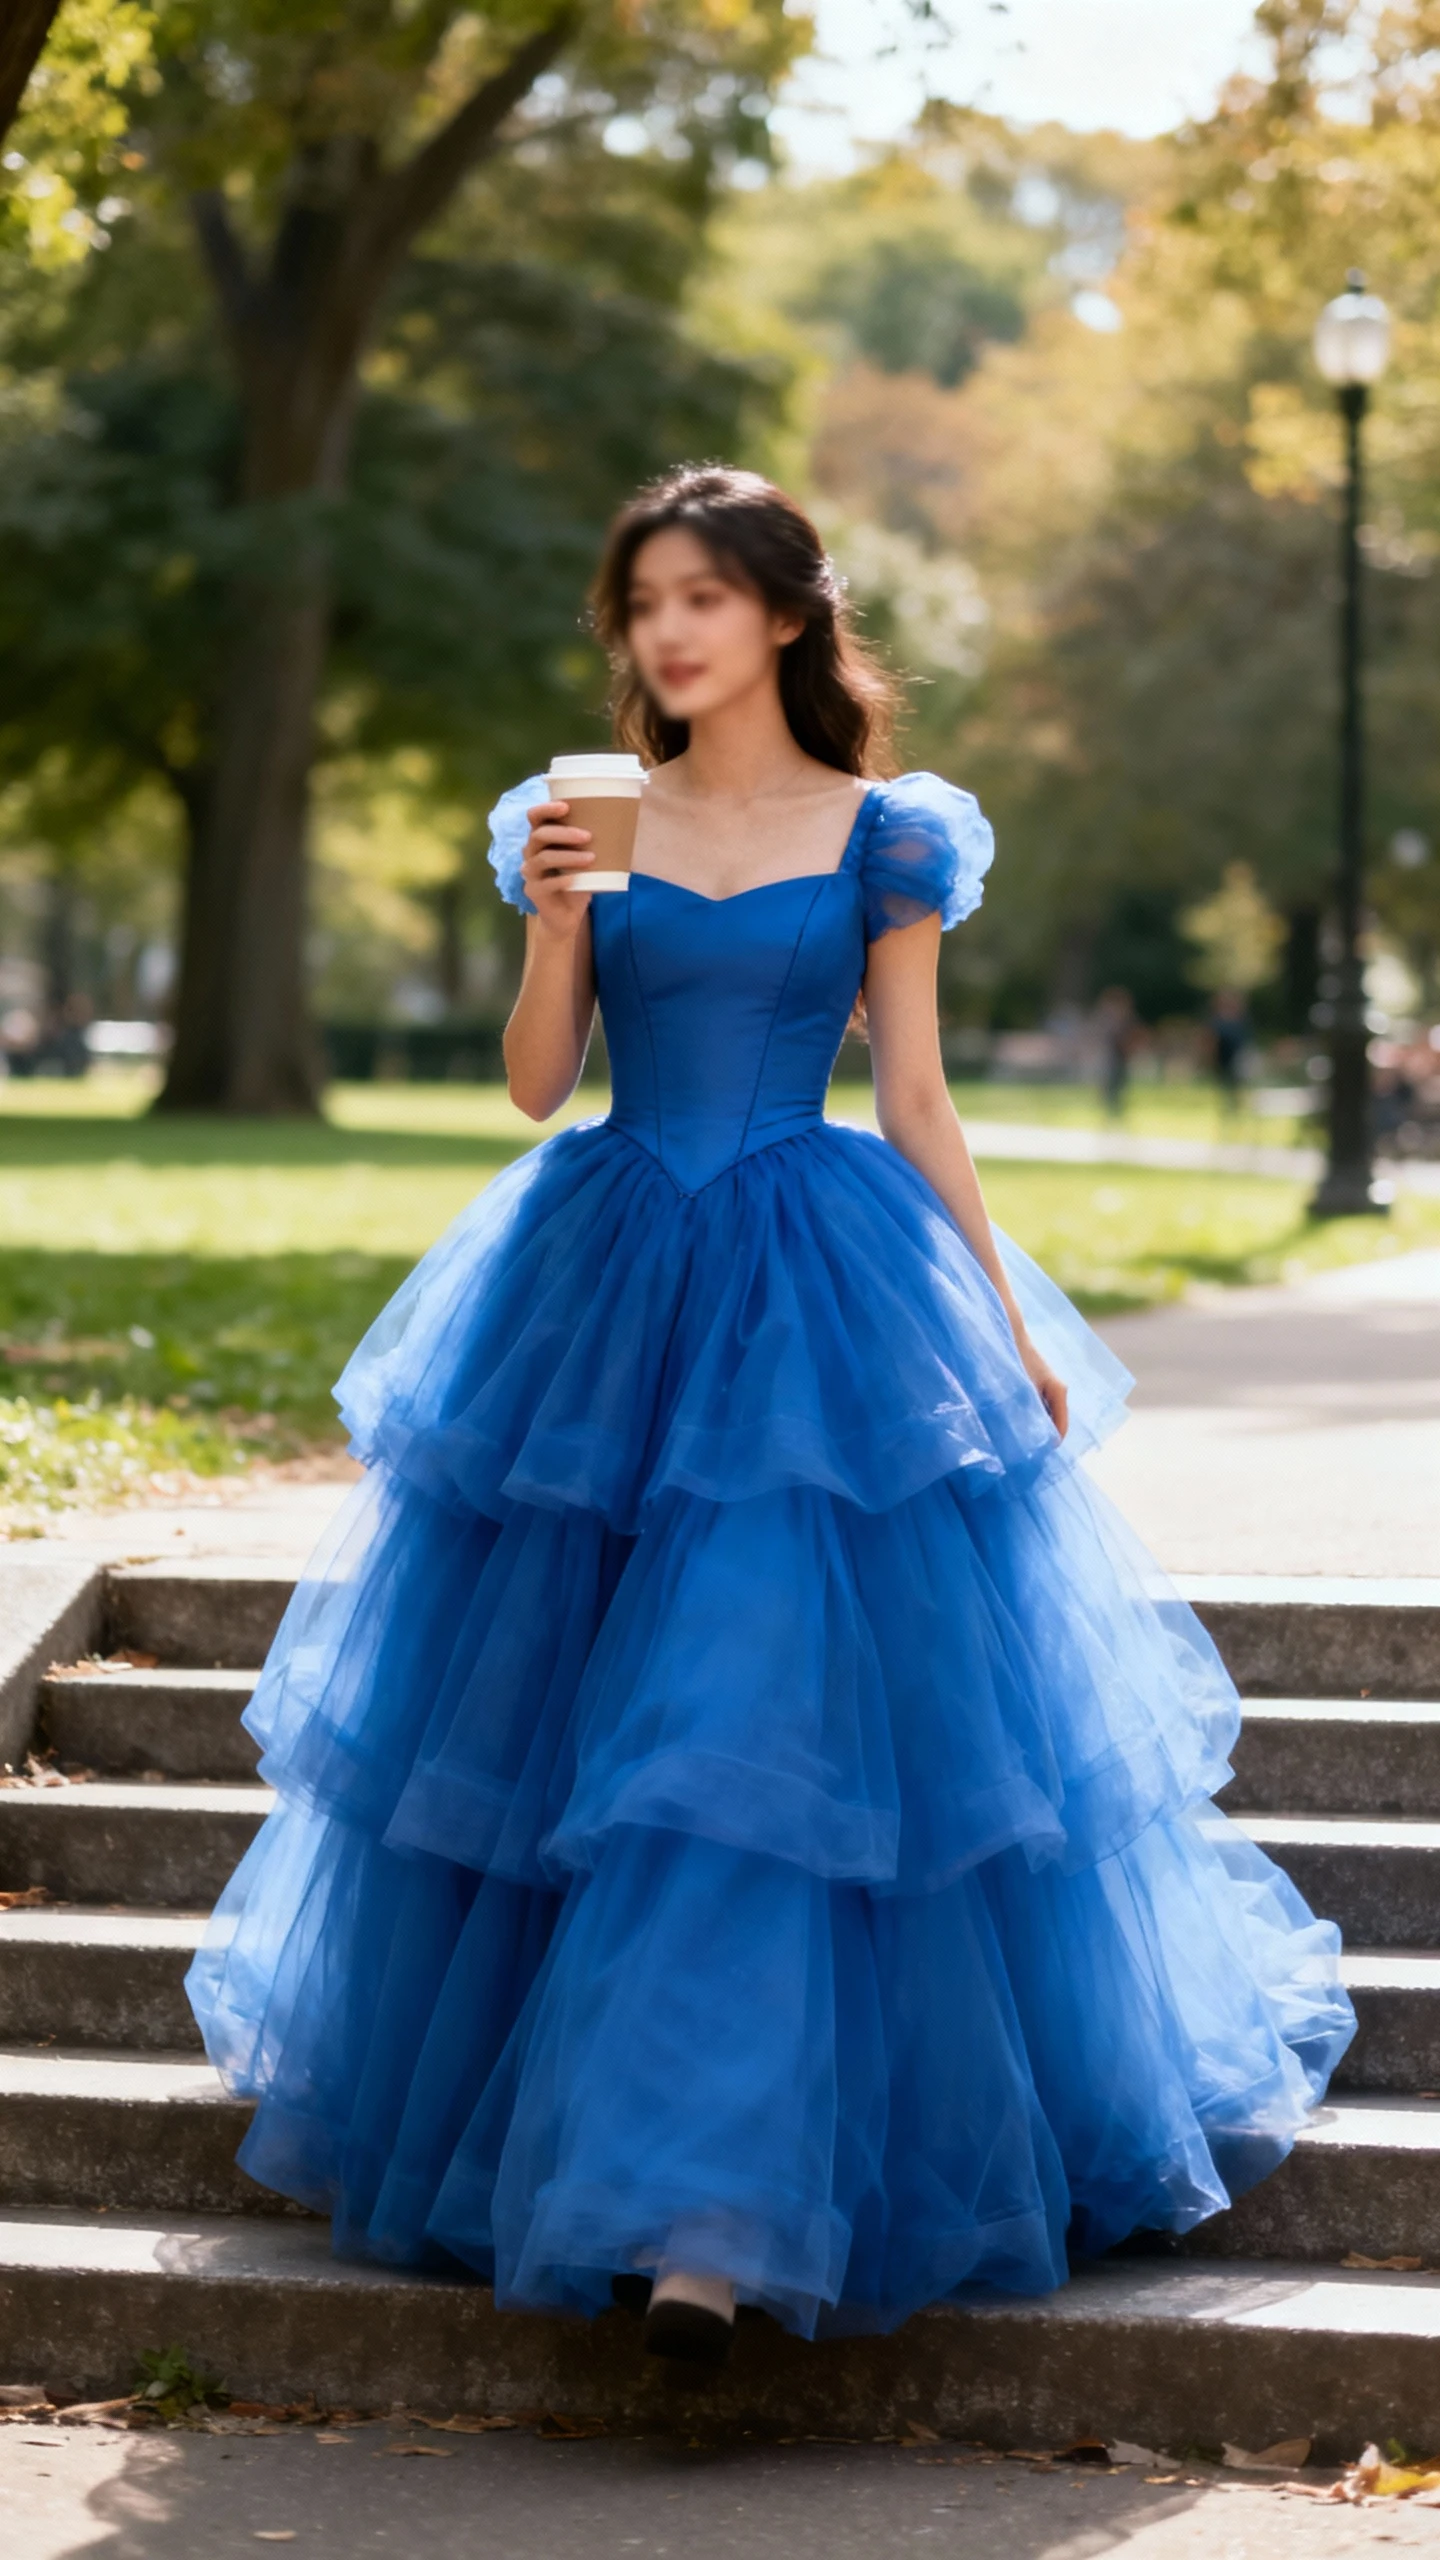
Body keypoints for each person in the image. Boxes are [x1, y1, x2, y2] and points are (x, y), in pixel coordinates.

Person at [189, 464, 1353, 2370]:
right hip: (603, 1276)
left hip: (816, 1292)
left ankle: (712, 2226)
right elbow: (532, 1085)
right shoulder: (576, 815)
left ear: (789, 618)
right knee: (584, 1736)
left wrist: (998, 1316)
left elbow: (913, 1096)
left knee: (744, 1731)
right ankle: (615, 2170)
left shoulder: (892, 833)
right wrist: (563, 910)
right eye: (643, 599)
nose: (665, 630)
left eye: (702, 598)